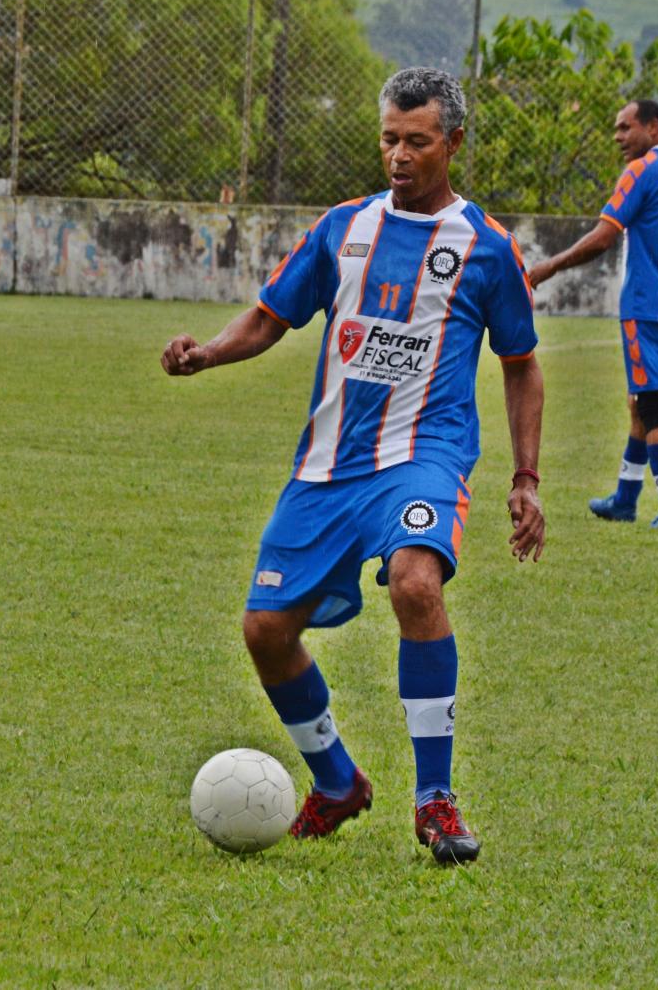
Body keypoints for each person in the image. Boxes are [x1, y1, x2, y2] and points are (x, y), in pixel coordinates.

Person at [161, 68, 545, 865]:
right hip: (330, 464)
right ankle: (338, 782)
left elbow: (520, 363)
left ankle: (434, 798)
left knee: (415, 582)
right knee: (266, 631)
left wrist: (525, 478)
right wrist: (208, 354)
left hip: (424, 455)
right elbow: (271, 318)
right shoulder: (342, 228)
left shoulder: (487, 249)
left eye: (418, 141)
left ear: (454, 143)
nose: (399, 156)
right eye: (389, 139)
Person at [528, 100, 658, 528]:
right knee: (640, 400)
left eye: (626, 128)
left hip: (645, 305)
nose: (618, 137)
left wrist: (547, 268)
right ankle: (625, 499)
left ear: (654, 127)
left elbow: (604, 236)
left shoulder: (642, 170)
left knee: (653, 404)